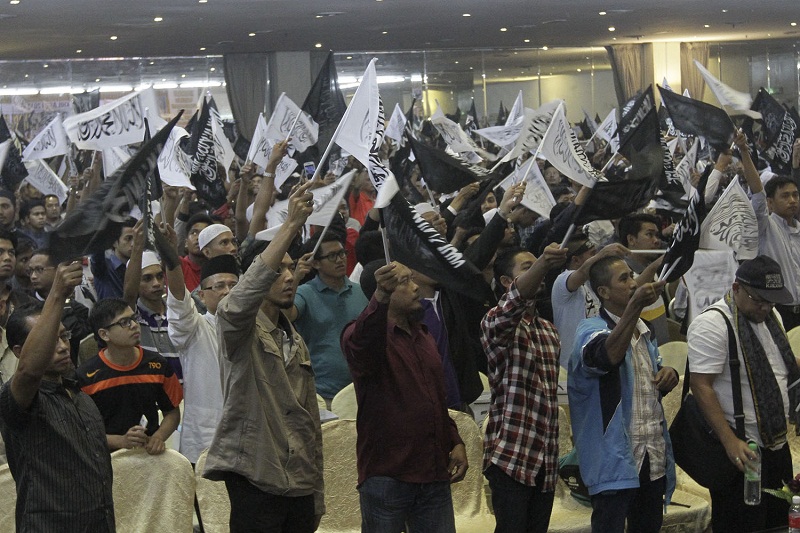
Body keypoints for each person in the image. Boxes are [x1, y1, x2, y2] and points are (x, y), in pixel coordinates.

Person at [203, 181, 325, 532]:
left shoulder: (296, 340)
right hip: (256, 477)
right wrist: (290, 226)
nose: (288, 277)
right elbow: (238, 303)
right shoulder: (238, 329)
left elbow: (310, 421)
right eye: (278, 269)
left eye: (291, 269)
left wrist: (316, 494)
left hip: (299, 482)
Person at [341, 261, 468, 533]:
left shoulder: (423, 335)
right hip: (388, 475)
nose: (415, 287)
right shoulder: (358, 334)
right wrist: (380, 298)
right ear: (382, 291)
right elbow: (363, 346)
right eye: (406, 282)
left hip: (433, 471)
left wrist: (454, 440)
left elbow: (436, 398)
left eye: (413, 279)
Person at [687, 255, 800, 532]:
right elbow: (700, 386)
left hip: (775, 441)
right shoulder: (712, 325)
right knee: (742, 524)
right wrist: (729, 441)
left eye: (770, 300)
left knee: (779, 523)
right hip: (741, 447)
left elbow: (778, 366)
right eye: (758, 299)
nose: (764, 307)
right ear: (736, 288)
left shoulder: (771, 316)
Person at [0, 262, 115, 531]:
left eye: (64, 337)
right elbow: (28, 372)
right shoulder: (19, 400)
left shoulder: (80, 396)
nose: (63, 347)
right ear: (19, 351)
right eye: (52, 340)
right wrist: (57, 293)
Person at [568, 256, 678, 533]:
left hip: (651, 456)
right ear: (603, 292)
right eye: (624, 279)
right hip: (614, 462)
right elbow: (607, 358)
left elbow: (646, 386)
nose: (633, 284)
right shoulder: (590, 330)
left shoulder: (645, 332)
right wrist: (636, 306)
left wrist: (669, 375)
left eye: (632, 276)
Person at [481, 243, 568, 533]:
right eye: (528, 267)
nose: (539, 272)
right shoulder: (495, 320)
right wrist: (544, 261)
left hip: (545, 455)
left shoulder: (548, 330)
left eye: (539, 265)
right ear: (507, 281)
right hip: (512, 454)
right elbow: (513, 305)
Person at [162, 220, 238, 464]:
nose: (227, 291)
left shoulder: (255, 328)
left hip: (248, 440)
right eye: (219, 286)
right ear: (202, 295)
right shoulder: (195, 328)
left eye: (233, 285)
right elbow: (178, 299)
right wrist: (172, 256)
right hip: (205, 442)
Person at [78, 298, 183, 455]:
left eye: (134, 319)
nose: (134, 325)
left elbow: (172, 412)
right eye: (124, 322)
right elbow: (80, 431)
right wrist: (121, 441)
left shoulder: (158, 364)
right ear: (104, 334)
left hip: (148, 455)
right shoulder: (86, 376)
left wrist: (159, 437)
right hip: (106, 460)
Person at [287, 232, 368, 407]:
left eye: (342, 253)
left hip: (363, 391)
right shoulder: (305, 292)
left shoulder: (361, 291)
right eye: (332, 256)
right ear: (315, 263)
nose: (340, 260)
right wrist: (295, 279)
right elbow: (286, 315)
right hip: (323, 394)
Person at [736, 129, 800, 330]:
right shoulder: (765, 226)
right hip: (778, 312)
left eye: (795, 195)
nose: (792, 200)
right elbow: (758, 192)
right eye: (785, 196)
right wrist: (744, 150)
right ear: (770, 203)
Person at [551, 235, 628, 369]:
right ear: (575, 260)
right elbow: (582, 272)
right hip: (571, 366)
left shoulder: (592, 283)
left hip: (596, 357)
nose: (597, 256)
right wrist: (604, 254)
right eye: (592, 253)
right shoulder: (562, 281)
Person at [28, 248, 93, 364]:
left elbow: (82, 341)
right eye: (31, 271)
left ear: (59, 270)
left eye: (39, 270)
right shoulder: (26, 306)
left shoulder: (76, 307)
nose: (33, 276)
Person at [617, 213, 669, 345]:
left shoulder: (653, 269)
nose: (656, 240)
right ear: (631, 240)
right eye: (649, 234)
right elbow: (629, 296)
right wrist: (654, 266)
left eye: (657, 235)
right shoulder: (620, 272)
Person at [90, 219, 136, 300]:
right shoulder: (103, 268)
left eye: (136, 239)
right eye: (128, 238)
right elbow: (97, 252)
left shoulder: (141, 267)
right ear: (114, 242)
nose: (133, 244)